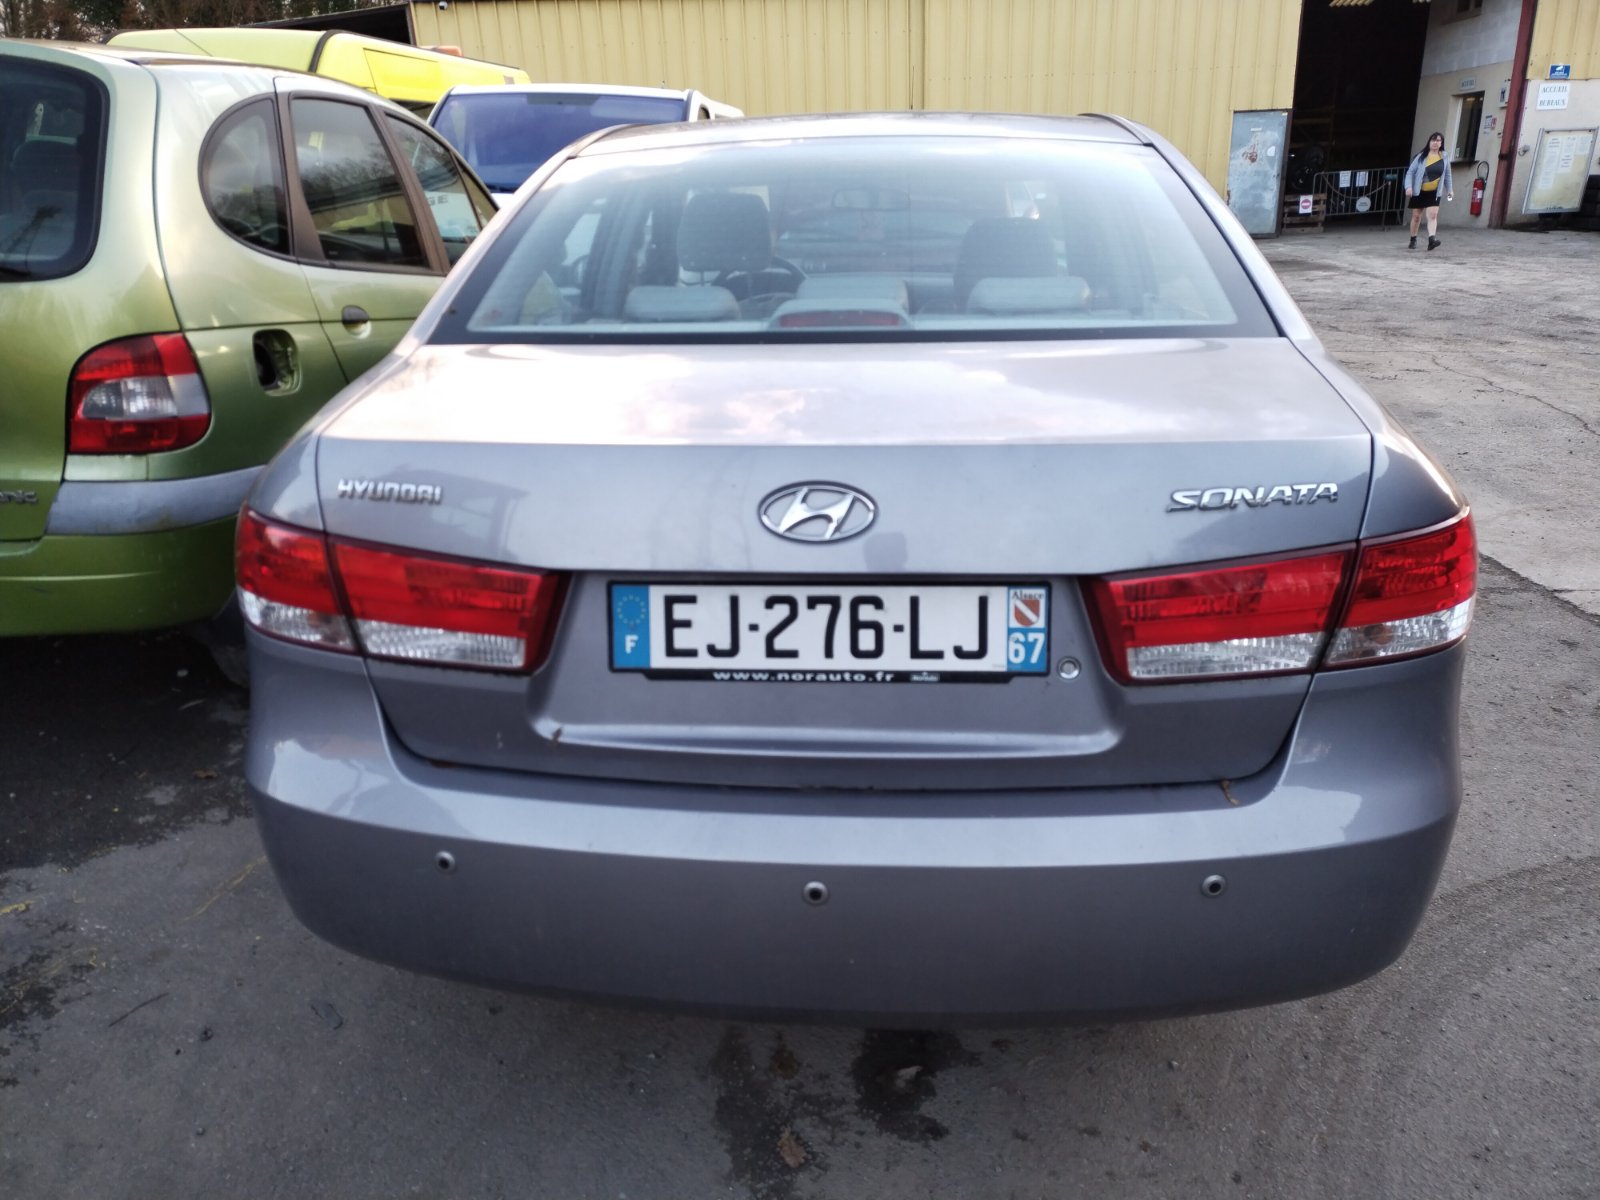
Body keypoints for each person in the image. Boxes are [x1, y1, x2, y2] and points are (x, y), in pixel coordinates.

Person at [1404, 132, 1454, 251]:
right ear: (1429, 142)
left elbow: (1447, 174)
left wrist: (1450, 189)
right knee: (1417, 217)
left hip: (1434, 192)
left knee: (1432, 215)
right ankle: (1413, 239)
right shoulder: (1421, 156)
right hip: (1419, 191)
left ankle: (1432, 240)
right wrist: (1408, 187)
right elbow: (1410, 172)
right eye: (1433, 140)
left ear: (1441, 143)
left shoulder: (1444, 157)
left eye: (1438, 140)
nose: (1435, 142)